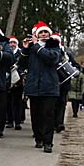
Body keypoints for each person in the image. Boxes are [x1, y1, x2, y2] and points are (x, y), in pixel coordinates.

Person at [19, 21, 61, 153]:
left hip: (49, 86)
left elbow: (51, 59)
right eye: (41, 32)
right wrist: (25, 49)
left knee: (48, 115)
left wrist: (37, 46)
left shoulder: (54, 46)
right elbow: (22, 64)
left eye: (45, 32)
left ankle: (48, 142)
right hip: (34, 86)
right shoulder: (32, 48)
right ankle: (39, 138)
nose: (43, 34)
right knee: (35, 115)